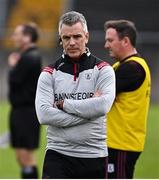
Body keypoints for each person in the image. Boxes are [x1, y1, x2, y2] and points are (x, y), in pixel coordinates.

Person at [35, 11, 115, 179]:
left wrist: (65, 105)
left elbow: (102, 106)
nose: (72, 42)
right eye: (66, 38)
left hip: (94, 155)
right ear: (60, 39)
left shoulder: (104, 70)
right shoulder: (49, 73)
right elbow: (43, 115)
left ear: (86, 36)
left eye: (77, 36)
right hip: (58, 154)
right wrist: (89, 112)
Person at [104, 20, 151, 179]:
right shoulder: (121, 66)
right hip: (117, 143)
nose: (106, 45)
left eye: (110, 40)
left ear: (125, 41)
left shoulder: (133, 68)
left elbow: (99, 95)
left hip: (121, 144)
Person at [8, 22, 42, 178]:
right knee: (25, 156)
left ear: (27, 37)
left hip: (25, 113)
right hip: (26, 112)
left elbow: (14, 80)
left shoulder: (29, 57)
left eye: (17, 34)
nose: (14, 37)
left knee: (24, 155)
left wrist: (13, 65)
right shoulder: (30, 56)